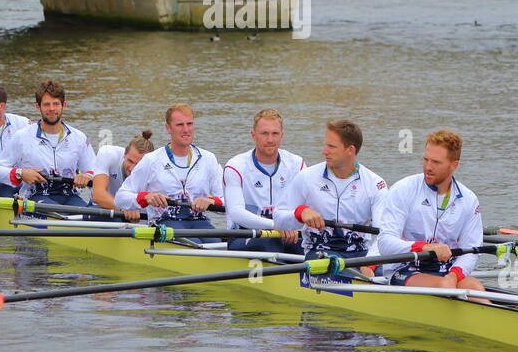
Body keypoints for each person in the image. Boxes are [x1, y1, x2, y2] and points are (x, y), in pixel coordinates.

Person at [376, 130, 488, 296]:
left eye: (436, 162)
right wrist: (424, 247)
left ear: (454, 165)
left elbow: (471, 251)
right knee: (444, 286)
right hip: (405, 269)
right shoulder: (404, 189)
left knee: (477, 289)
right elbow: (385, 243)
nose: (428, 167)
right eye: (426, 159)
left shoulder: (468, 200)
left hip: (446, 270)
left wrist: (454, 274)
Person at [274, 119, 386, 262]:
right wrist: (300, 213)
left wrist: (370, 263)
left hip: (361, 255)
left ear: (350, 150)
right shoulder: (307, 177)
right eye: (325, 145)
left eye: (331, 146)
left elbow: (384, 234)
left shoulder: (376, 184)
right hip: (320, 253)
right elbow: (278, 219)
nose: (324, 151)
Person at [115, 103, 224, 238]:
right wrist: (146, 197)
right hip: (165, 223)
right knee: (196, 244)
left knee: (215, 243)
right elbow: (120, 198)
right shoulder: (152, 160)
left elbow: (227, 202)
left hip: (200, 222)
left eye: (189, 124)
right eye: (180, 125)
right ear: (168, 128)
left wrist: (212, 201)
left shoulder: (208, 159)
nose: (186, 130)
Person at [0, 79, 96, 208]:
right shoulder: (22, 137)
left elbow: (95, 170)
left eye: (56, 104)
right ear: (38, 107)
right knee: (61, 214)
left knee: (88, 215)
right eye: (46, 104)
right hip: (35, 196)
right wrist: (20, 173)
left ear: (64, 105)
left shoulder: (78, 138)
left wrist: (87, 176)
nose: (52, 109)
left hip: (69, 195)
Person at [222, 109, 305, 255]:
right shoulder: (236, 166)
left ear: (282, 136)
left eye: (275, 134)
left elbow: (309, 205)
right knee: (270, 243)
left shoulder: (297, 164)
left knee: (313, 247)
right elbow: (236, 212)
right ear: (253, 135)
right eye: (264, 133)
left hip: (286, 233)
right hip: (245, 234)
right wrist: (275, 225)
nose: (270, 140)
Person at [91, 130, 155, 219]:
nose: (132, 168)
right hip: (104, 208)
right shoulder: (108, 153)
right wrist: (123, 208)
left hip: (137, 215)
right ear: (124, 154)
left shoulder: (156, 168)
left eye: (138, 165)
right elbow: (98, 195)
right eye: (130, 161)